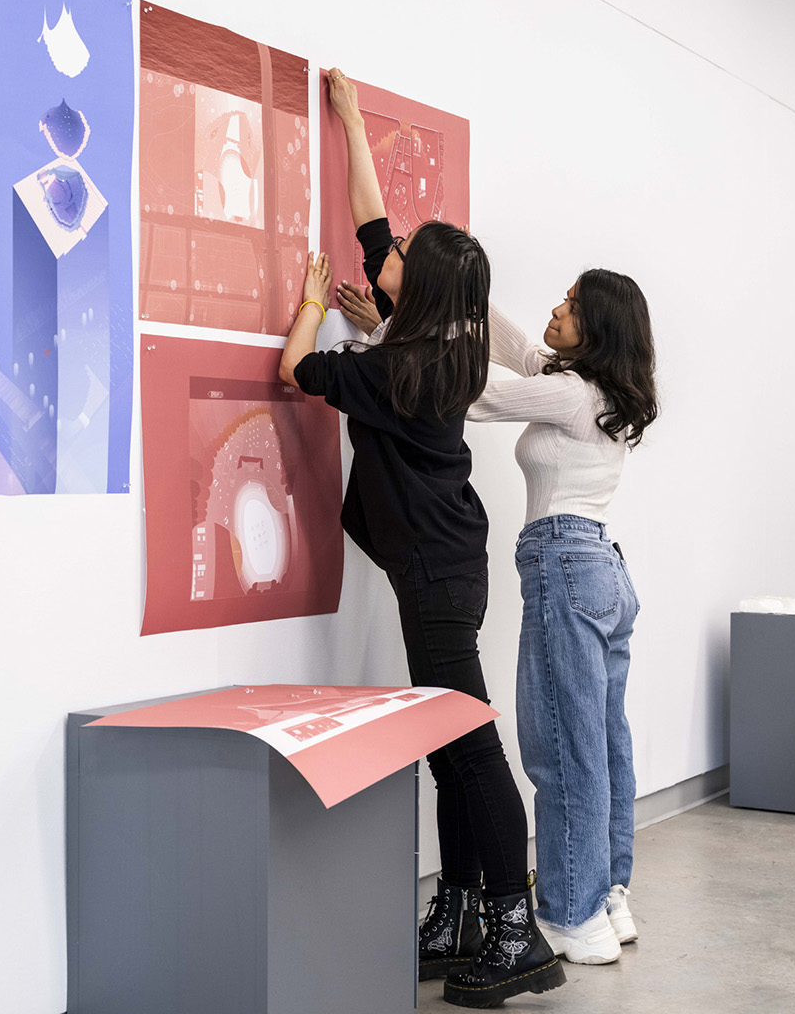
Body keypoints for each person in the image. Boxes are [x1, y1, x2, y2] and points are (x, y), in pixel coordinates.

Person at [277, 68, 566, 1009]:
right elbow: (371, 214)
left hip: (438, 572)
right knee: (448, 737)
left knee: (470, 742)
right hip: (443, 562)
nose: (380, 250)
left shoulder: (396, 366)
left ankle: (515, 931)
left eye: (397, 253)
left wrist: (319, 305)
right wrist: (352, 119)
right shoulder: (434, 342)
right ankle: (462, 910)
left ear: (417, 286)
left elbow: (298, 370)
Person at [466, 270, 659, 966]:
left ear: (597, 327)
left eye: (572, 306)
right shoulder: (603, 393)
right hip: (604, 569)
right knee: (603, 745)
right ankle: (607, 894)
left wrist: (401, 327)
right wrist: (464, 294)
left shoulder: (571, 394)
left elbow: (479, 393)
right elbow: (519, 348)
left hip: (564, 567)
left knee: (558, 749)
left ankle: (572, 917)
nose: (556, 308)